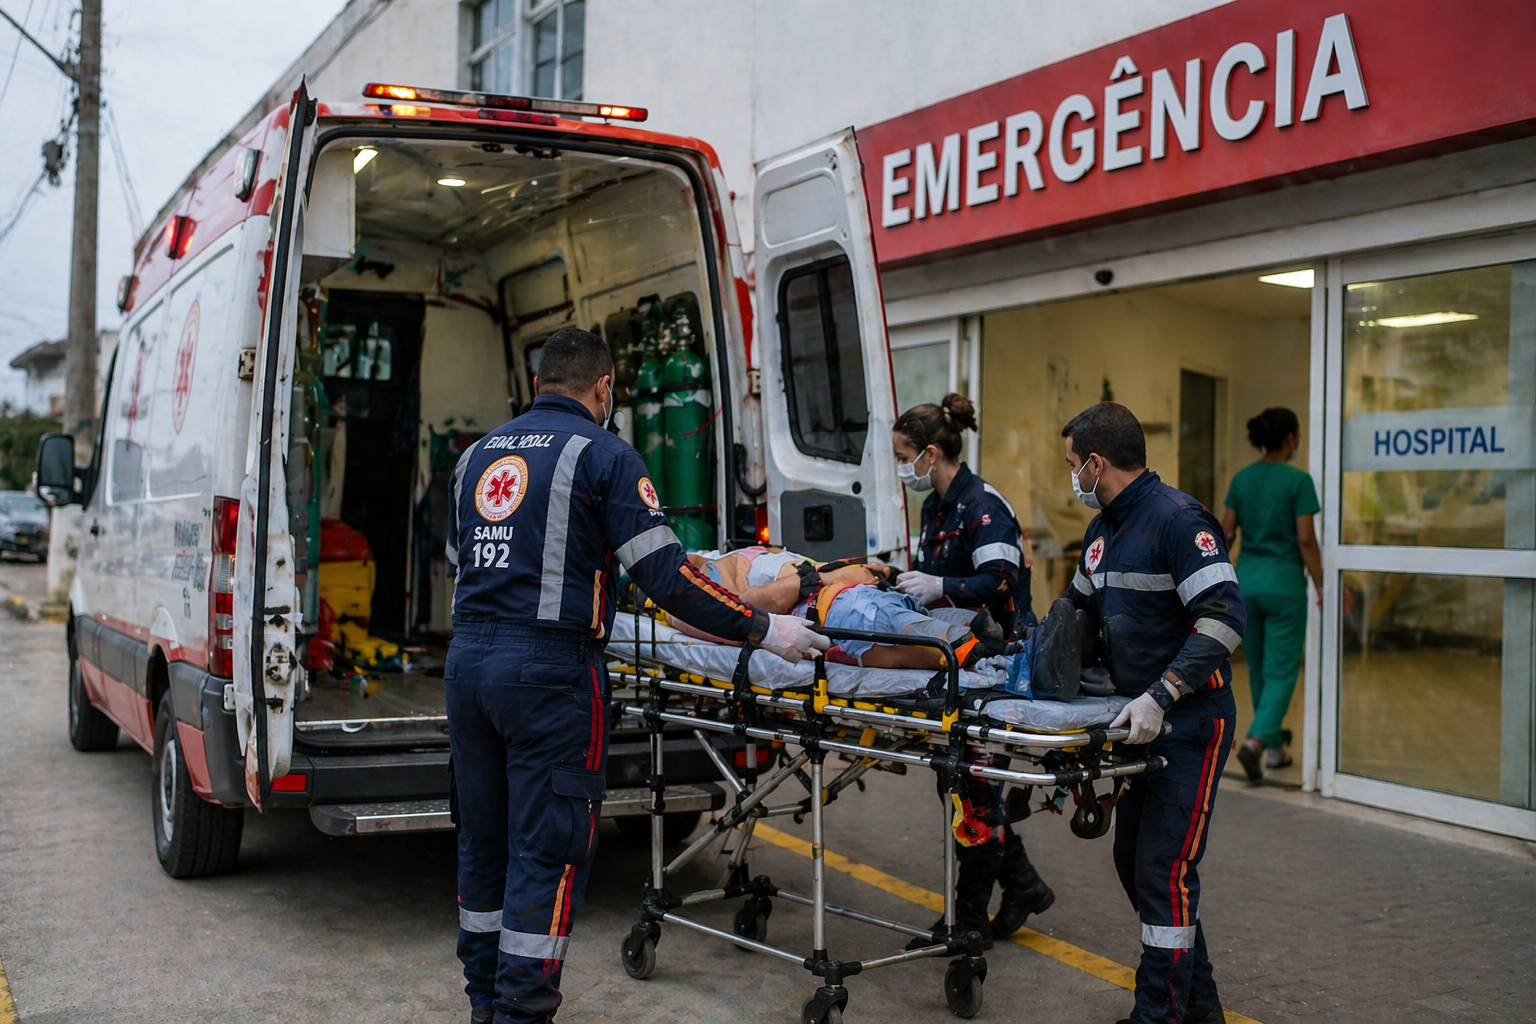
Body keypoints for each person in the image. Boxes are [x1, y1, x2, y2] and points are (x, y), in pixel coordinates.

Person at [444, 328, 828, 1024]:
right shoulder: (605, 455)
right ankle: (520, 1015)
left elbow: (463, 561)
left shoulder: (475, 457)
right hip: (550, 674)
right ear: (604, 388)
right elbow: (666, 578)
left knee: (482, 841)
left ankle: (483, 1005)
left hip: (468, 666)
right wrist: (765, 628)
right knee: (547, 849)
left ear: (538, 382)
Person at [1059, 402, 1245, 1024]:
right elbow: (1076, 616)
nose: (1072, 478)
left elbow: (1224, 618)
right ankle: (1199, 1009)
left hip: (1190, 720)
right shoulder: (1103, 530)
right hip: (1137, 722)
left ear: (1095, 463)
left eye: (1072, 466)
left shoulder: (1178, 521)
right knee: (1137, 863)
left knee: (1165, 869)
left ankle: (1157, 1015)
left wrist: (1163, 692)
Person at [889, 393, 1052, 949]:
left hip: (995, 663)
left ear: (930, 454)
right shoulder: (937, 507)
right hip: (957, 661)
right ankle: (1024, 885)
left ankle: (969, 920)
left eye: (903, 456)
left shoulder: (982, 506)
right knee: (961, 786)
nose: (901, 468)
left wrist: (941, 585)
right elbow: (936, 577)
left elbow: (1002, 579)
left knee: (972, 789)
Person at [672, 547, 1004, 668]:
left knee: (941, 630)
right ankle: (996, 648)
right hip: (845, 607)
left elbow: (739, 610)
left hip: (857, 598)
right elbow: (737, 616)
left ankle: (1003, 645)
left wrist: (878, 572)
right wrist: (814, 578)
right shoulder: (687, 590)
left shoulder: (720, 564)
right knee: (950, 643)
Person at [1220, 407, 1321, 781]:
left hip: (1246, 584)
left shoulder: (1242, 479)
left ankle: (1276, 748)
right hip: (1284, 587)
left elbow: (1225, 533)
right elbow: (1306, 540)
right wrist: (1323, 582)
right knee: (1281, 671)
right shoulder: (1299, 481)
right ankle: (1256, 741)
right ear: (1291, 438)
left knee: (1259, 668)